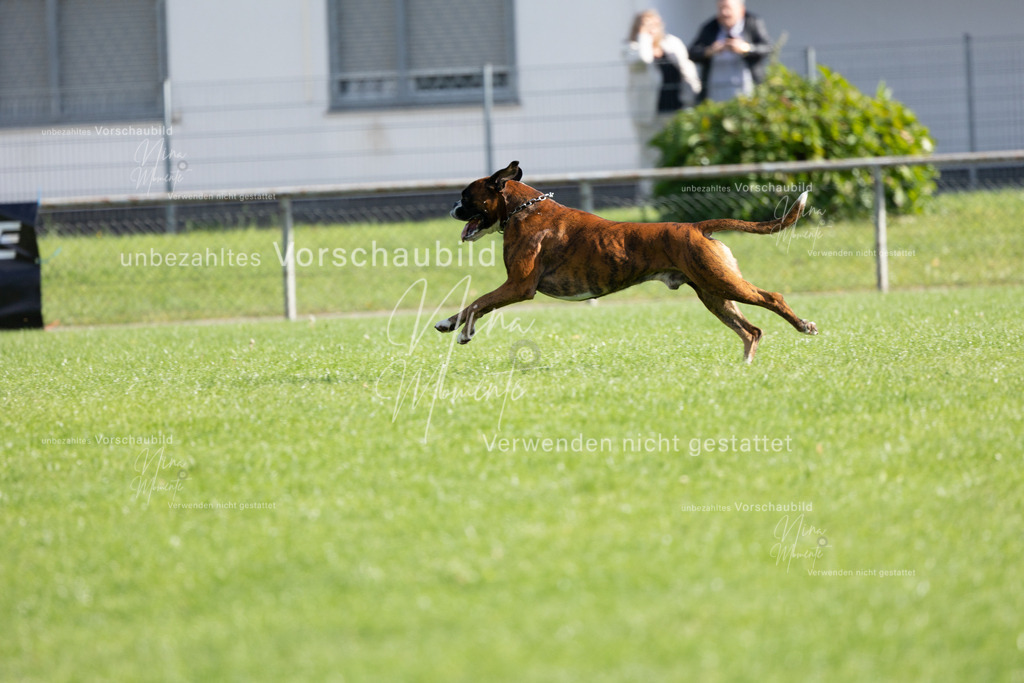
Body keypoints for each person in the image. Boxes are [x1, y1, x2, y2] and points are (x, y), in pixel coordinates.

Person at [624, 10, 701, 181]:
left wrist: (694, 96)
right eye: (646, 25)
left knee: (678, 155)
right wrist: (644, 37)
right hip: (649, 116)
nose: (651, 29)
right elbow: (644, 58)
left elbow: (687, 70)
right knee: (652, 157)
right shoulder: (631, 48)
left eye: (654, 24)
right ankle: (649, 195)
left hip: (677, 111)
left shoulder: (672, 43)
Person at [689, 0, 773, 103]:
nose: (724, 13)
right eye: (721, 9)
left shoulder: (752, 23)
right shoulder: (710, 27)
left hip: (748, 91)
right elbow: (692, 53)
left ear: (741, 10)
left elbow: (768, 47)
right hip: (715, 93)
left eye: (728, 8)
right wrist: (710, 51)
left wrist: (747, 48)